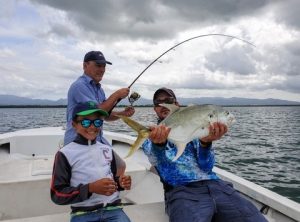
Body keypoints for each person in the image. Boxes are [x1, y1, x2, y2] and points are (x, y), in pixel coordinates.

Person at [142, 87, 268, 222]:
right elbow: (162, 167)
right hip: (182, 192)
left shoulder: (198, 130)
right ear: (155, 109)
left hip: (217, 186)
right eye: (158, 102)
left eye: (168, 100)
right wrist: (159, 145)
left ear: (176, 104)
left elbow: (207, 167)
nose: (162, 104)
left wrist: (206, 143)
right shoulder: (151, 138)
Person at [51, 101, 132, 222]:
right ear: (74, 124)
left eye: (97, 122)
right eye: (85, 121)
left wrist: (120, 183)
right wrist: (90, 188)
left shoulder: (107, 149)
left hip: (113, 209)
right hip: (82, 213)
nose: (92, 126)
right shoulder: (65, 154)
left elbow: (114, 180)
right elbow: (57, 194)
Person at [64, 50, 135, 176]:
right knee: (95, 174)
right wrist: (117, 94)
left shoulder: (99, 89)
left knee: (120, 166)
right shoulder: (79, 86)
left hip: (97, 140)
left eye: (104, 66)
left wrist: (123, 114)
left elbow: (104, 115)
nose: (102, 69)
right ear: (85, 65)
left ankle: (112, 193)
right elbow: (99, 109)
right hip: (79, 140)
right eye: (98, 65)